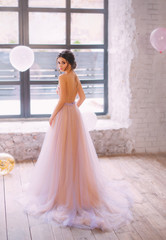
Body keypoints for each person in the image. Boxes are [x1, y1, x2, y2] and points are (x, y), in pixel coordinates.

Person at [16, 50, 134, 231]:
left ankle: (61, 191)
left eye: (63, 63)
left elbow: (63, 99)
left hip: (64, 115)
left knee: (61, 150)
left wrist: (53, 115)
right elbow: (82, 97)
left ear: (69, 63)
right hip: (74, 115)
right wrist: (73, 108)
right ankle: (76, 188)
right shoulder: (75, 76)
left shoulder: (63, 78)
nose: (60, 66)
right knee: (76, 151)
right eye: (58, 63)